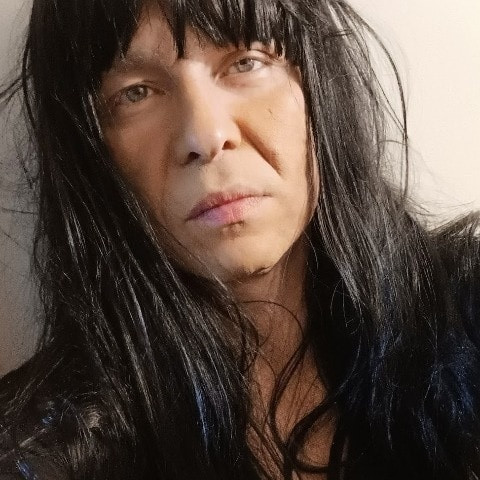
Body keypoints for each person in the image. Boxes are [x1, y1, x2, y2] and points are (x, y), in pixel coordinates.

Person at [0, 0, 479, 478]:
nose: (206, 134)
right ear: (90, 151)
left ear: (315, 82)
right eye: (136, 93)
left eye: (247, 62)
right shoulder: (43, 455)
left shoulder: (466, 321)